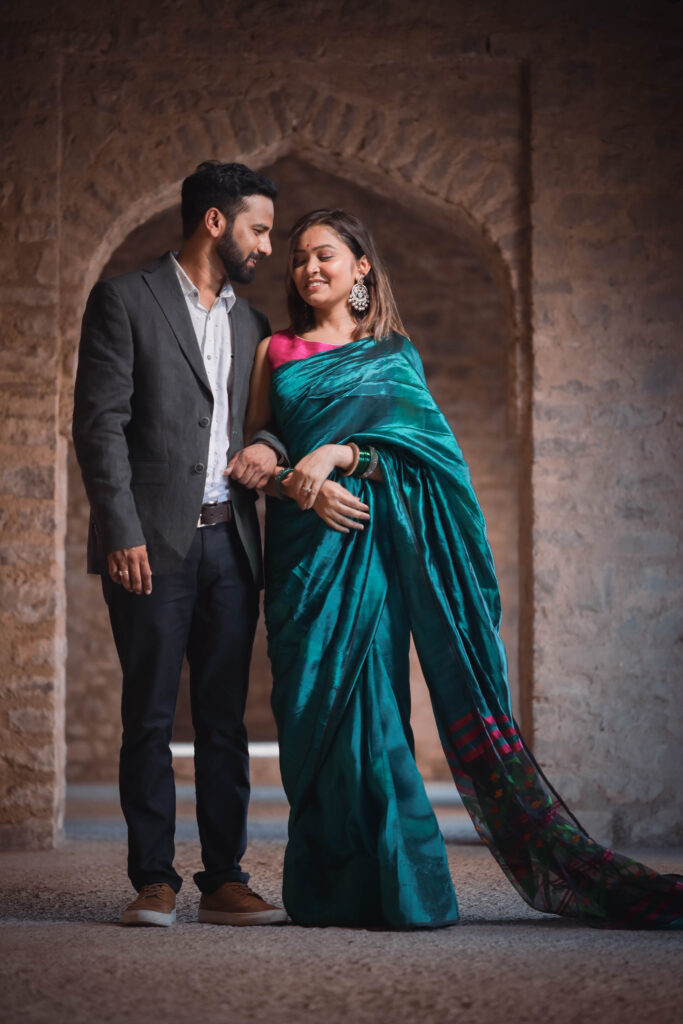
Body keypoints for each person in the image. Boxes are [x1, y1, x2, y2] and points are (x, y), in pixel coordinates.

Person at [243, 207, 683, 930]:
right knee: (306, 722)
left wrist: (341, 456)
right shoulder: (275, 351)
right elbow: (262, 437)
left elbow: (431, 463)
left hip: (367, 555)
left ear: (360, 268)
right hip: (298, 559)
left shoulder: (393, 355)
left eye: (324, 255)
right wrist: (295, 473)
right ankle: (328, 891)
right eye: (296, 259)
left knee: (376, 720)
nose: (306, 268)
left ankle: (404, 891)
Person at [73, 161, 288, 927]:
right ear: (215, 223)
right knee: (151, 716)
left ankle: (225, 878)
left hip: (232, 543)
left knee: (227, 719)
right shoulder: (124, 300)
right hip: (150, 546)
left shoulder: (252, 324)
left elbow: (265, 418)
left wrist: (263, 444)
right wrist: (119, 531)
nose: (267, 245)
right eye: (258, 228)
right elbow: (98, 425)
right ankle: (153, 880)